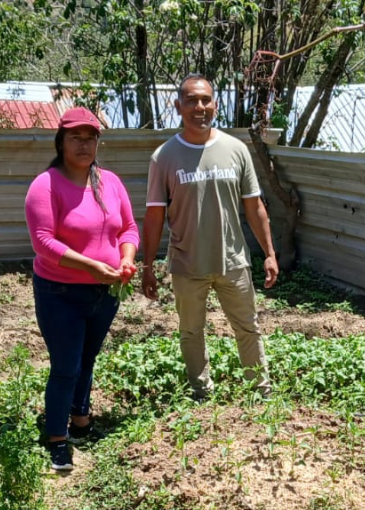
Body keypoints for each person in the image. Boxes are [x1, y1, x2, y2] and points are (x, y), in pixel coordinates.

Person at [141, 73, 279, 400]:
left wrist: (270, 253)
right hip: (187, 263)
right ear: (178, 106)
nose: (199, 107)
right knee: (191, 331)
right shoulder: (164, 157)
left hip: (234, 261)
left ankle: (260, 394)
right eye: (191, 100)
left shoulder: (236, 150)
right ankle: (201, 393)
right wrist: (147, 266)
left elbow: (255, 207)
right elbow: (155, 215)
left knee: (248, 328)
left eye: (205, 100)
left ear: (215, 104)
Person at [25, 107, 139, 471]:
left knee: (87, 358)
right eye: (76, 137)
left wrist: (126, 258)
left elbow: (129, 229)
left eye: (91, 138)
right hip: (60, 292)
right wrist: (90, 265)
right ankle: (57, 437)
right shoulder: (45, 185)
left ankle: (80, 416)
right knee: (66, 365)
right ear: (60, 142)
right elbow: (43, 242)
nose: (84, 144)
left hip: (105, 293)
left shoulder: (110, 182)